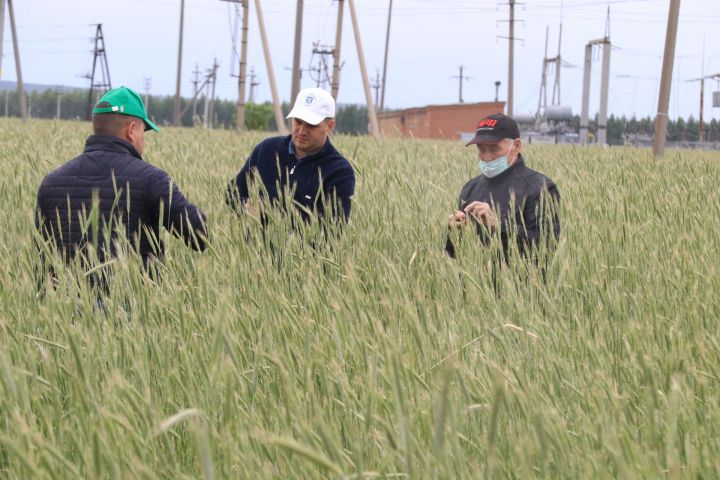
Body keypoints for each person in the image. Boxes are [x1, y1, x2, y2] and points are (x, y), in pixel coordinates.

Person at [35, 86, 208, 291]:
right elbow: (200, 237)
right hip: (133, 310)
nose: (144, 139)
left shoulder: (51, 182)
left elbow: (42, 257)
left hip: (66, 311)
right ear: (131, 129)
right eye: (144, 131)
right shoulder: (152, 180)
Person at [226, 87, 355, 227]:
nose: (301, 131)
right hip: (252, 248)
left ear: (329, 126)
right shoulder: (266, 150)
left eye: (311, 125)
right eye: (298, 121)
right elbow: (232, 194)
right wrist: (246, 208)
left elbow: (332, 230)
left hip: (303, 249)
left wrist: (270, 216)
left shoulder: (340, 172)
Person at [446, 113, 560, 261]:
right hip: (473, 282)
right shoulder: (471, 188)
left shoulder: (540, 188)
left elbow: (549, 246)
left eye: (494, 149)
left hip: (522, 283)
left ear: (516, 146)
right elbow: (454, 256)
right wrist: (454, 232)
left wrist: (499, 226)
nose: (486, 157)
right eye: (481, 150)